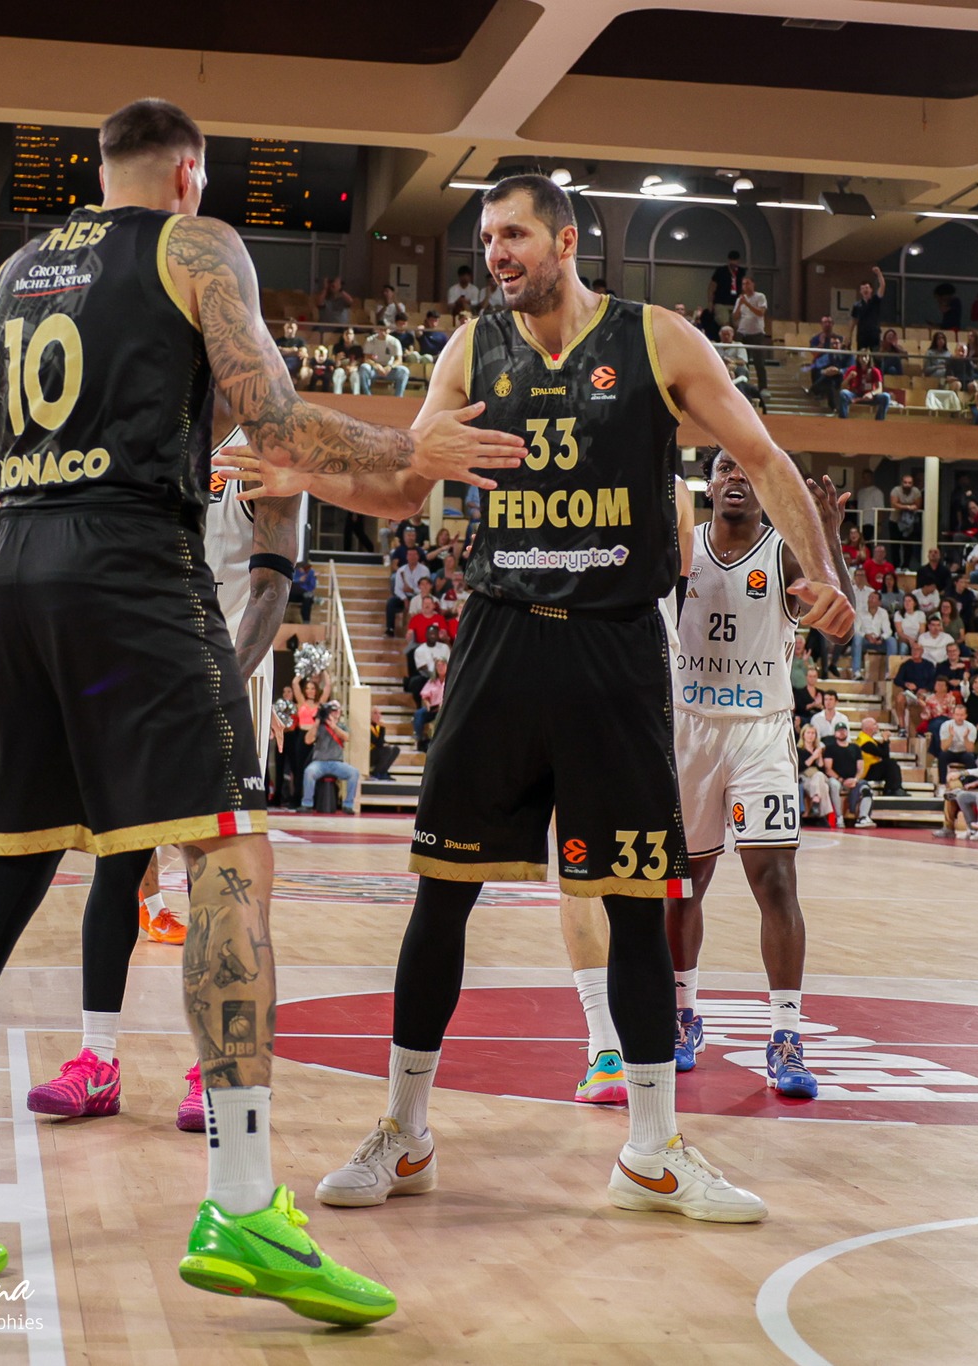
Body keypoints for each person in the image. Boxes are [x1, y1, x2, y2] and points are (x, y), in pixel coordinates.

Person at [0, 98, 520, 1323]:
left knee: (6, 871)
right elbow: (278, 422)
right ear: (188, 173)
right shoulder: (198, 247)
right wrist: (413, 452)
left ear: (100, 173)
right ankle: (244, 1199)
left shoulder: (27, 264)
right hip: (130, 570)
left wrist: (39, 480)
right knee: (231, 854)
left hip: (22, 565)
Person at [313, 173, 851, 1227]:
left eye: (512, 233)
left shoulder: (656, 341)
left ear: (565, 240)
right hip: (499, 638)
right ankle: (403, 1130)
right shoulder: (469, 351)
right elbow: (397, 484)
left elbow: (762, 456)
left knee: (636, 901)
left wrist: (820, 567)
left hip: (614, 648)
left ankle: (652, 1151)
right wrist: (306, 466)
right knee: (441, 894)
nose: (494, 252)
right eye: (485, 238)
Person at [663, 447, 853, 1098]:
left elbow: (840, 621)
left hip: (762, 731)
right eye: (723, 467)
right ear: (707, 483)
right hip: (688, 725)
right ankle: (682, 1014)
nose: (735, 476)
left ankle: (786, 1035)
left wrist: (826, 535)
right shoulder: (680, 544)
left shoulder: (782, 552)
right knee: (683, 885)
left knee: (775, 880)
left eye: (748, 469)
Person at [299, 699, 359, 812]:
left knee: (354, 773)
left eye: (337, 711)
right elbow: (307, 740)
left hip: (337, 763)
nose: (335, 713)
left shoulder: (342, 726)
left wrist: (333, 726)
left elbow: (346, 737)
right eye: (332, 710)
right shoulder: (320, 727)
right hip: (319, 762)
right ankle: (307, 804)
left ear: (340, 712)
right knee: (309, 772)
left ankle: (348, 805)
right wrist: (317, 722)